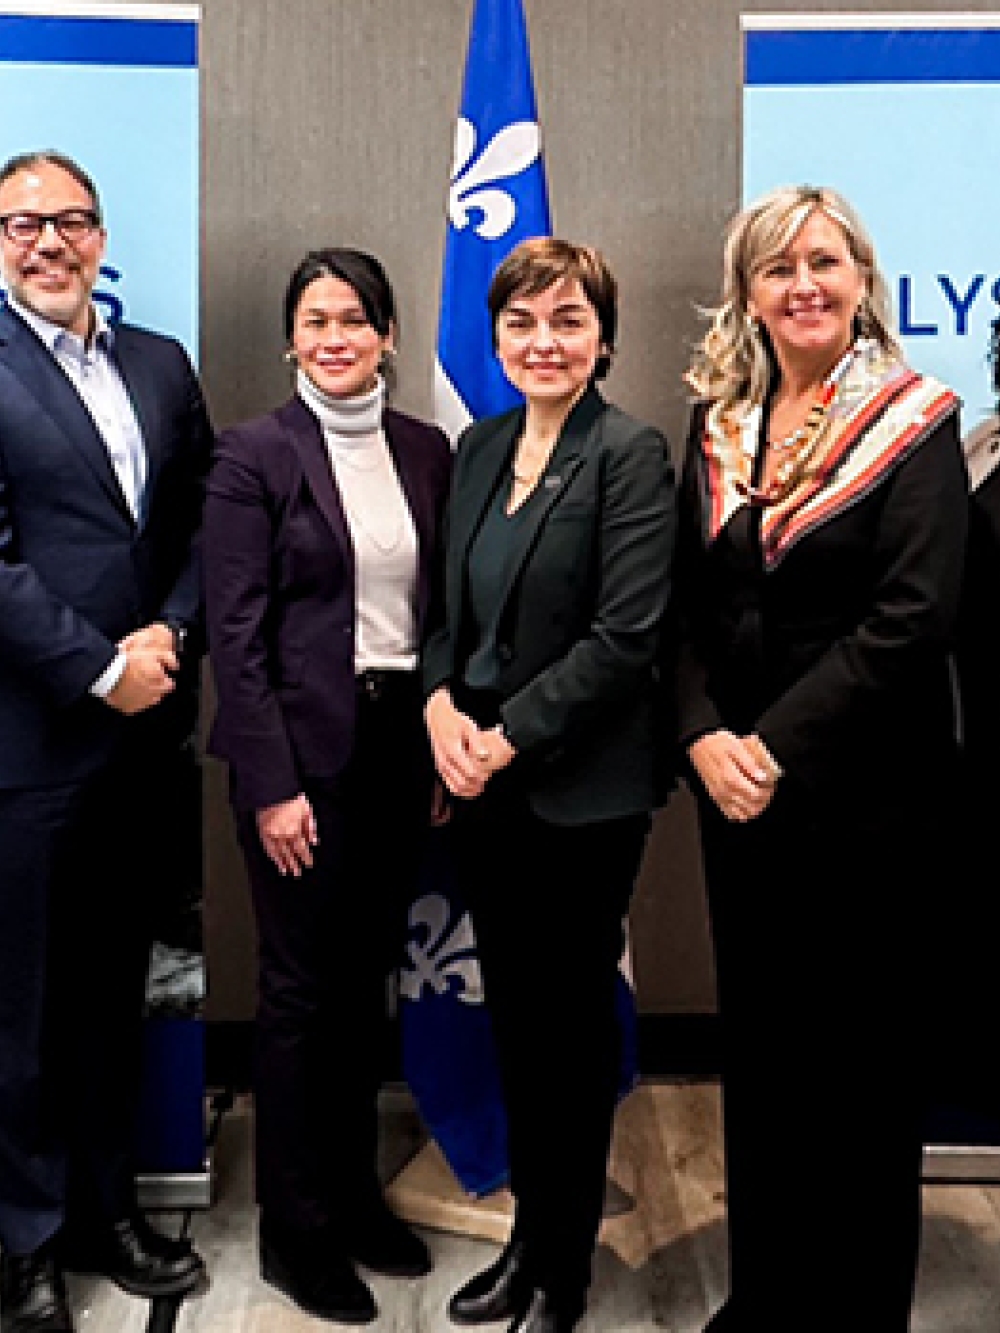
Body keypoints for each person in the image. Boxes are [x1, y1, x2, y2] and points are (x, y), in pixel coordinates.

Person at [675, 184, 968, 1333]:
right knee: (769, 1059)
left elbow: (911, 617)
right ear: (747, 291)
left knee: (861, 1074)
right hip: (738, 803)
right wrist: (703, 734)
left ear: (861, 281)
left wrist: (768, 744)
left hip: (867, 796)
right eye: (777, 266)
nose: (803, 284)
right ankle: (770, 1293)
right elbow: (683, 611)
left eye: (824, 262)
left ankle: (852, 1310)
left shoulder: (916, 420)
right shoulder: (719, 424)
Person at [423, 237, 676, 1333]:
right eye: (522, 322)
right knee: (517, 1029)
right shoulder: (476, 449)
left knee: (570, 1040)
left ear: (603, 339)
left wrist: (503, 734)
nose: (543, 341)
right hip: (484, 792)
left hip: (581, 798)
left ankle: (563, 1270)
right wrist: (439, 705)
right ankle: (528, 1237)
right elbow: (445, 618)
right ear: (497, 337)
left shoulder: (629, 453)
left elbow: (627, 637)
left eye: (567, 320)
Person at [204, 248, 452, 1324]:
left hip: (402, 749)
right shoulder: (251, 455)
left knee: (365, 991)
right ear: (290, 339)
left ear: (388, 332)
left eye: (355, 318)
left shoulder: (428, 450)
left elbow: (444, 609)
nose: (335, 337)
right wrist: (270, 783)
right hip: (297, 762)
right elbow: (236, 632)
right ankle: (292, 1232)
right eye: (314, 320)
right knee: (303, 998)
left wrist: (441, 745)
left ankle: (353, 1200)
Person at [0, 150, 212, 1333]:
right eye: (23, 222)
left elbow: (195, 518)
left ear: (100, 235)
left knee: (110, 995)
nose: (48, 242)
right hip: (30, 745)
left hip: (145, 742)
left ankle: (105, 1208)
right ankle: (26, 1240)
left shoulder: (158, 363)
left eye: (71, 221)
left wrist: (170, 636)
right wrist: (96, 668)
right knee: (23, 1006)